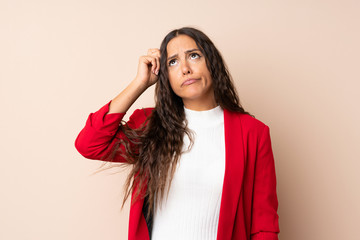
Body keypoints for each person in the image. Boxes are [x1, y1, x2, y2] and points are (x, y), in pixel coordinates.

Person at [75, 27, 280, 240]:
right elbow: (90, 144)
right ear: (166, 77)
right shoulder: (151, 125)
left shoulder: (253, 133)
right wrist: (140, 83)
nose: (185, 68)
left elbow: (264, 225)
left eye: (194, 55)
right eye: (172, 62)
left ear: (212, 63)